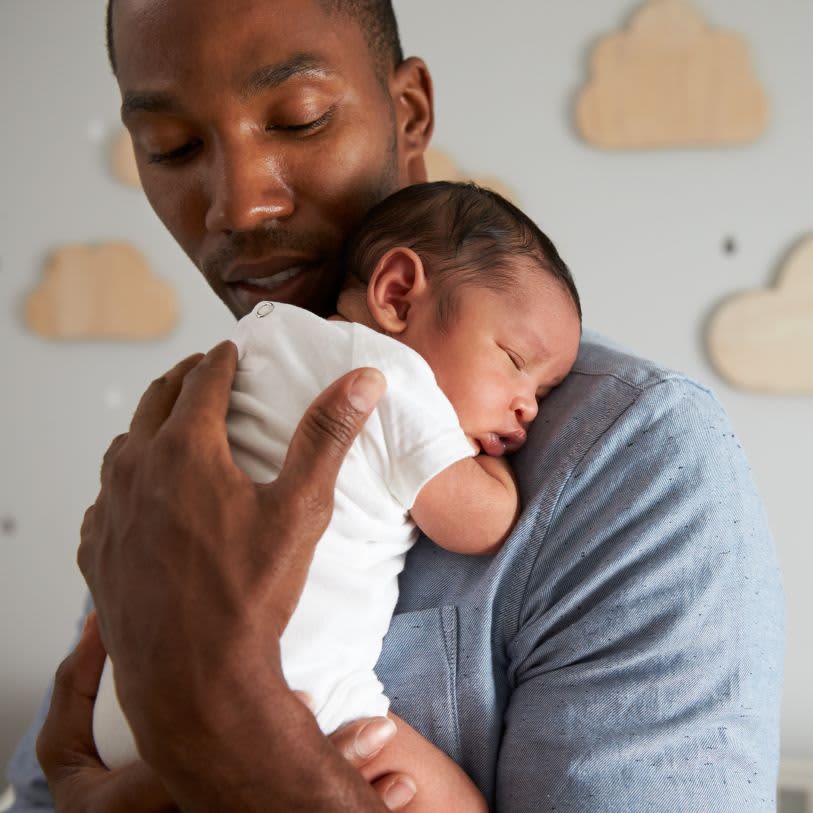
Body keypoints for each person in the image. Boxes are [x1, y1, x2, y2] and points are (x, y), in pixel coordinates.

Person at [6, 0, 783, 811]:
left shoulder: (634, 460)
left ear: (407, 112)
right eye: (172, 146)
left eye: (299, 119)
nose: (238, 206)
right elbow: (52, 782)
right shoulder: (188, 439)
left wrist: (246, 742)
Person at [91, 180, 582, 810]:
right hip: (295, 703)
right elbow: (480, 524)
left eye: (543, 392)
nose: (527, 407)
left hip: (126, 710)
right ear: (397, 294)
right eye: (515, 360)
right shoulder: (394, 378)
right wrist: (494, 468)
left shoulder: (257, 341)